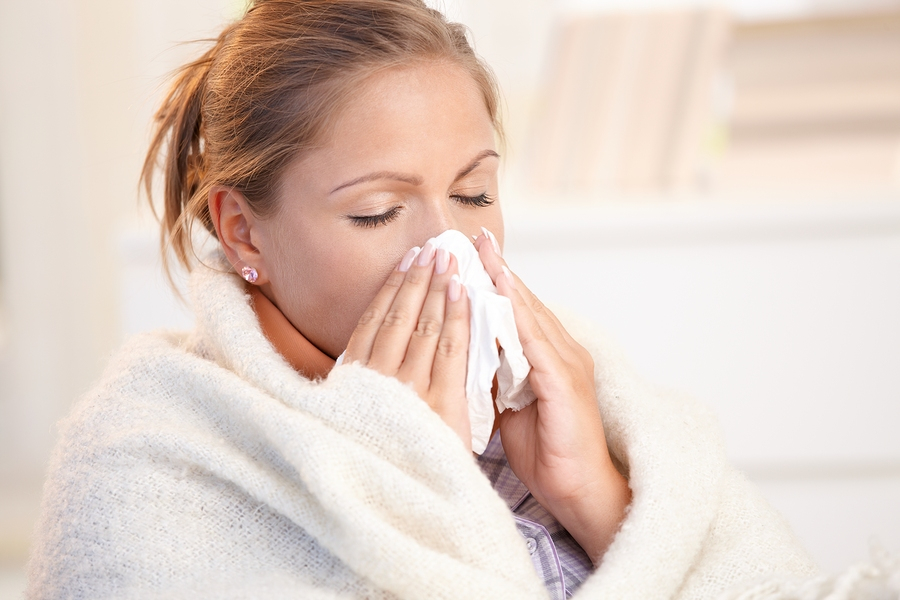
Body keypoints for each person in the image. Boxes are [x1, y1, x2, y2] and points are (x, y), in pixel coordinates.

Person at [26, 1, 818, 598]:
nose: (453, 249)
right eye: (377, 211)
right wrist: (403, 468)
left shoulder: (572, 391)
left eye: (475, 194)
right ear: (243, 234)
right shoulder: (148, 458)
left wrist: (601, 499)